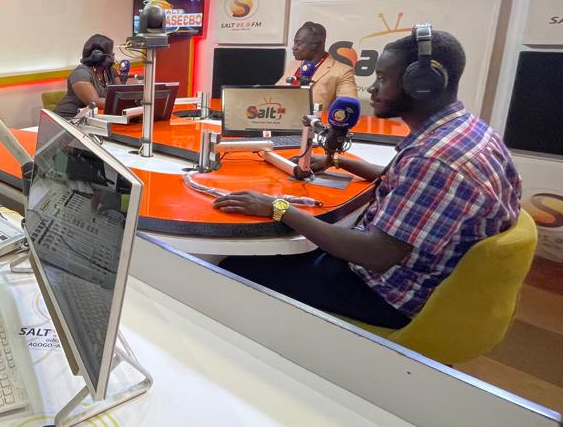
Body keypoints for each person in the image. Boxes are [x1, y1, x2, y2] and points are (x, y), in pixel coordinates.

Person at [217, 28, 520, 328]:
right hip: (427, 276)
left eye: (383, 79)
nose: (373, 89)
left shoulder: (434, 159)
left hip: (388, 293)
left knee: (233, 266)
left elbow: (376, 254)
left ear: (421, 84)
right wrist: (336, 160)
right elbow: (401, 180)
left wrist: (278, 208)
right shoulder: (463, 130)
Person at [276, 21, 357, 112]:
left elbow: (348, 108)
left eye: (299, 43)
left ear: (316, 45)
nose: (294, 47)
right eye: (295, 43)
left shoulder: (342, 71)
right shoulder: (293, 65)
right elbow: (274, 94)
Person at [53, 34, 128, 118]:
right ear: (98, 55)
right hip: (68, 120)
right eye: (110, 51)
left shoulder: (109, 70)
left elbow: (121, 93)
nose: (113, 54)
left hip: (94, 118)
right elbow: (94, 102)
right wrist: (125, 103)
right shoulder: (80, 74)